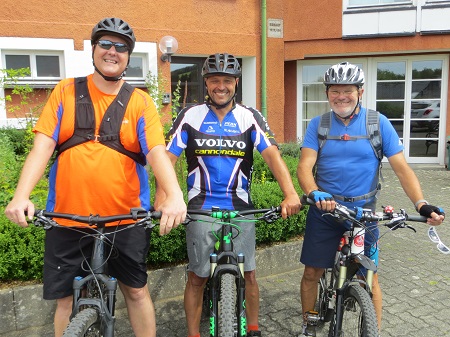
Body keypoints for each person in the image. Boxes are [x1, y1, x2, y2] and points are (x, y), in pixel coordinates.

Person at [4, 17, 187, 337]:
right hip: (67, 219)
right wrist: (21, 195)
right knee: (64, 302)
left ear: (129, 56)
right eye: (105, 43)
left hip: (125, 219)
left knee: (137, 292)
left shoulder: (140, 101)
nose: (112, 51)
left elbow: (157, 151)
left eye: (121, 47)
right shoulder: (65, 91)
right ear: (93, 49)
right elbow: (42, 146)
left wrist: (174, 195)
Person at [296, 61, 445, 337]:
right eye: (335, 91)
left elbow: (402, 169)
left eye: (347, 91)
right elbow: (305, 166)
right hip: (326, 211)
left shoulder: (378, 123)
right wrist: (314, 192)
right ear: (328, 93)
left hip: (364, 214)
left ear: (360, 92)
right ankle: (308, 324)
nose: (341, 97)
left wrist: (421, 203)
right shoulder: (318, 125)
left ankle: (373, 331)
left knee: (369, 279)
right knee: (311, 274)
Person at [162, 53, 301, 337]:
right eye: (215, 80)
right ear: (206, 83)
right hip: (200, 208)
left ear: (236, 82)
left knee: (249, 273)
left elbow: (273, 157)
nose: (221, 86)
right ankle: (193, 333)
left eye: (227, 80)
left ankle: (252, 328)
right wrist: (165, 197)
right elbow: (166, 159)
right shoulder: (190, 115)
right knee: (197, 277)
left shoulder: (249, 117)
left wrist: (290, 194)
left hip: (242, 209)